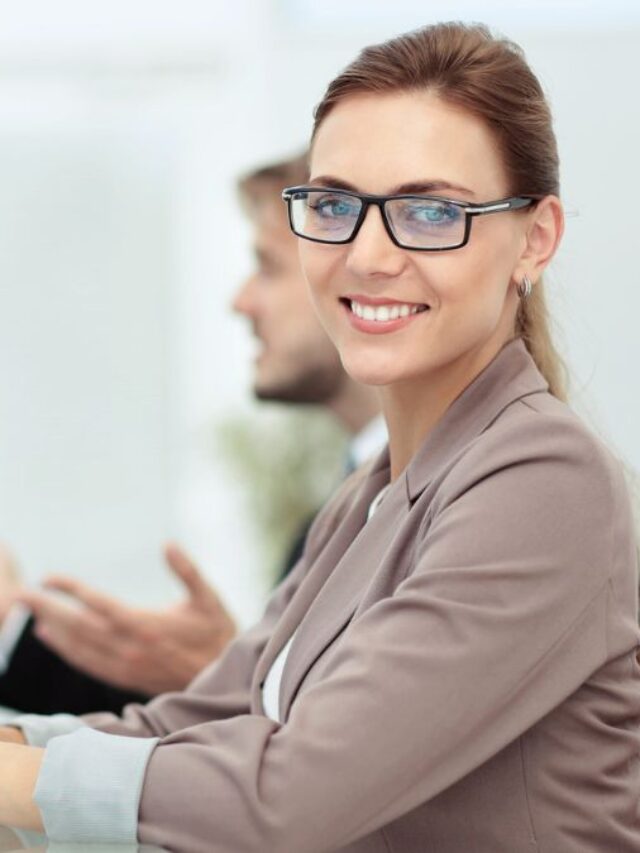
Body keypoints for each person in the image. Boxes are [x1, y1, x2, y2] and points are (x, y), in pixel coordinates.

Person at [0, 21, 638, 852]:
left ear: (536, 237)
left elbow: (287, 797)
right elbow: (192, 720)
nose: (368, 255)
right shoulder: (372, 494)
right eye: (335, 205)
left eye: (431, 210)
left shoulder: (545, 480)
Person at [0, 153, 382, 715]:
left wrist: (229, 675)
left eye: (268, 267)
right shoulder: (335, 518)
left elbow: (333, 762)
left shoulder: (452, 504)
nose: (240, 301)